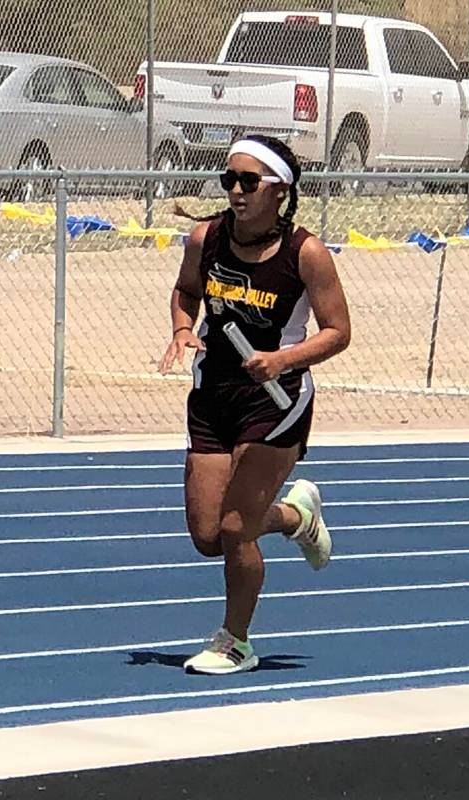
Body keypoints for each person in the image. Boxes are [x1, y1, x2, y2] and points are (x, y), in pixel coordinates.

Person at [159, 134, 351, 675]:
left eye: (249, 181)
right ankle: (296, 516)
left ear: (280, 190)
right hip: (213, 396)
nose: (236, 191)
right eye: (229, 180)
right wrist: (181, 328)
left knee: (238, 526)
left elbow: (338, 332)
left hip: (276, 399)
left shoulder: (305, 254)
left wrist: (283, 359)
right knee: (207, 534)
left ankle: (235, 641)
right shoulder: (207, 237)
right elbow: (186, 290)